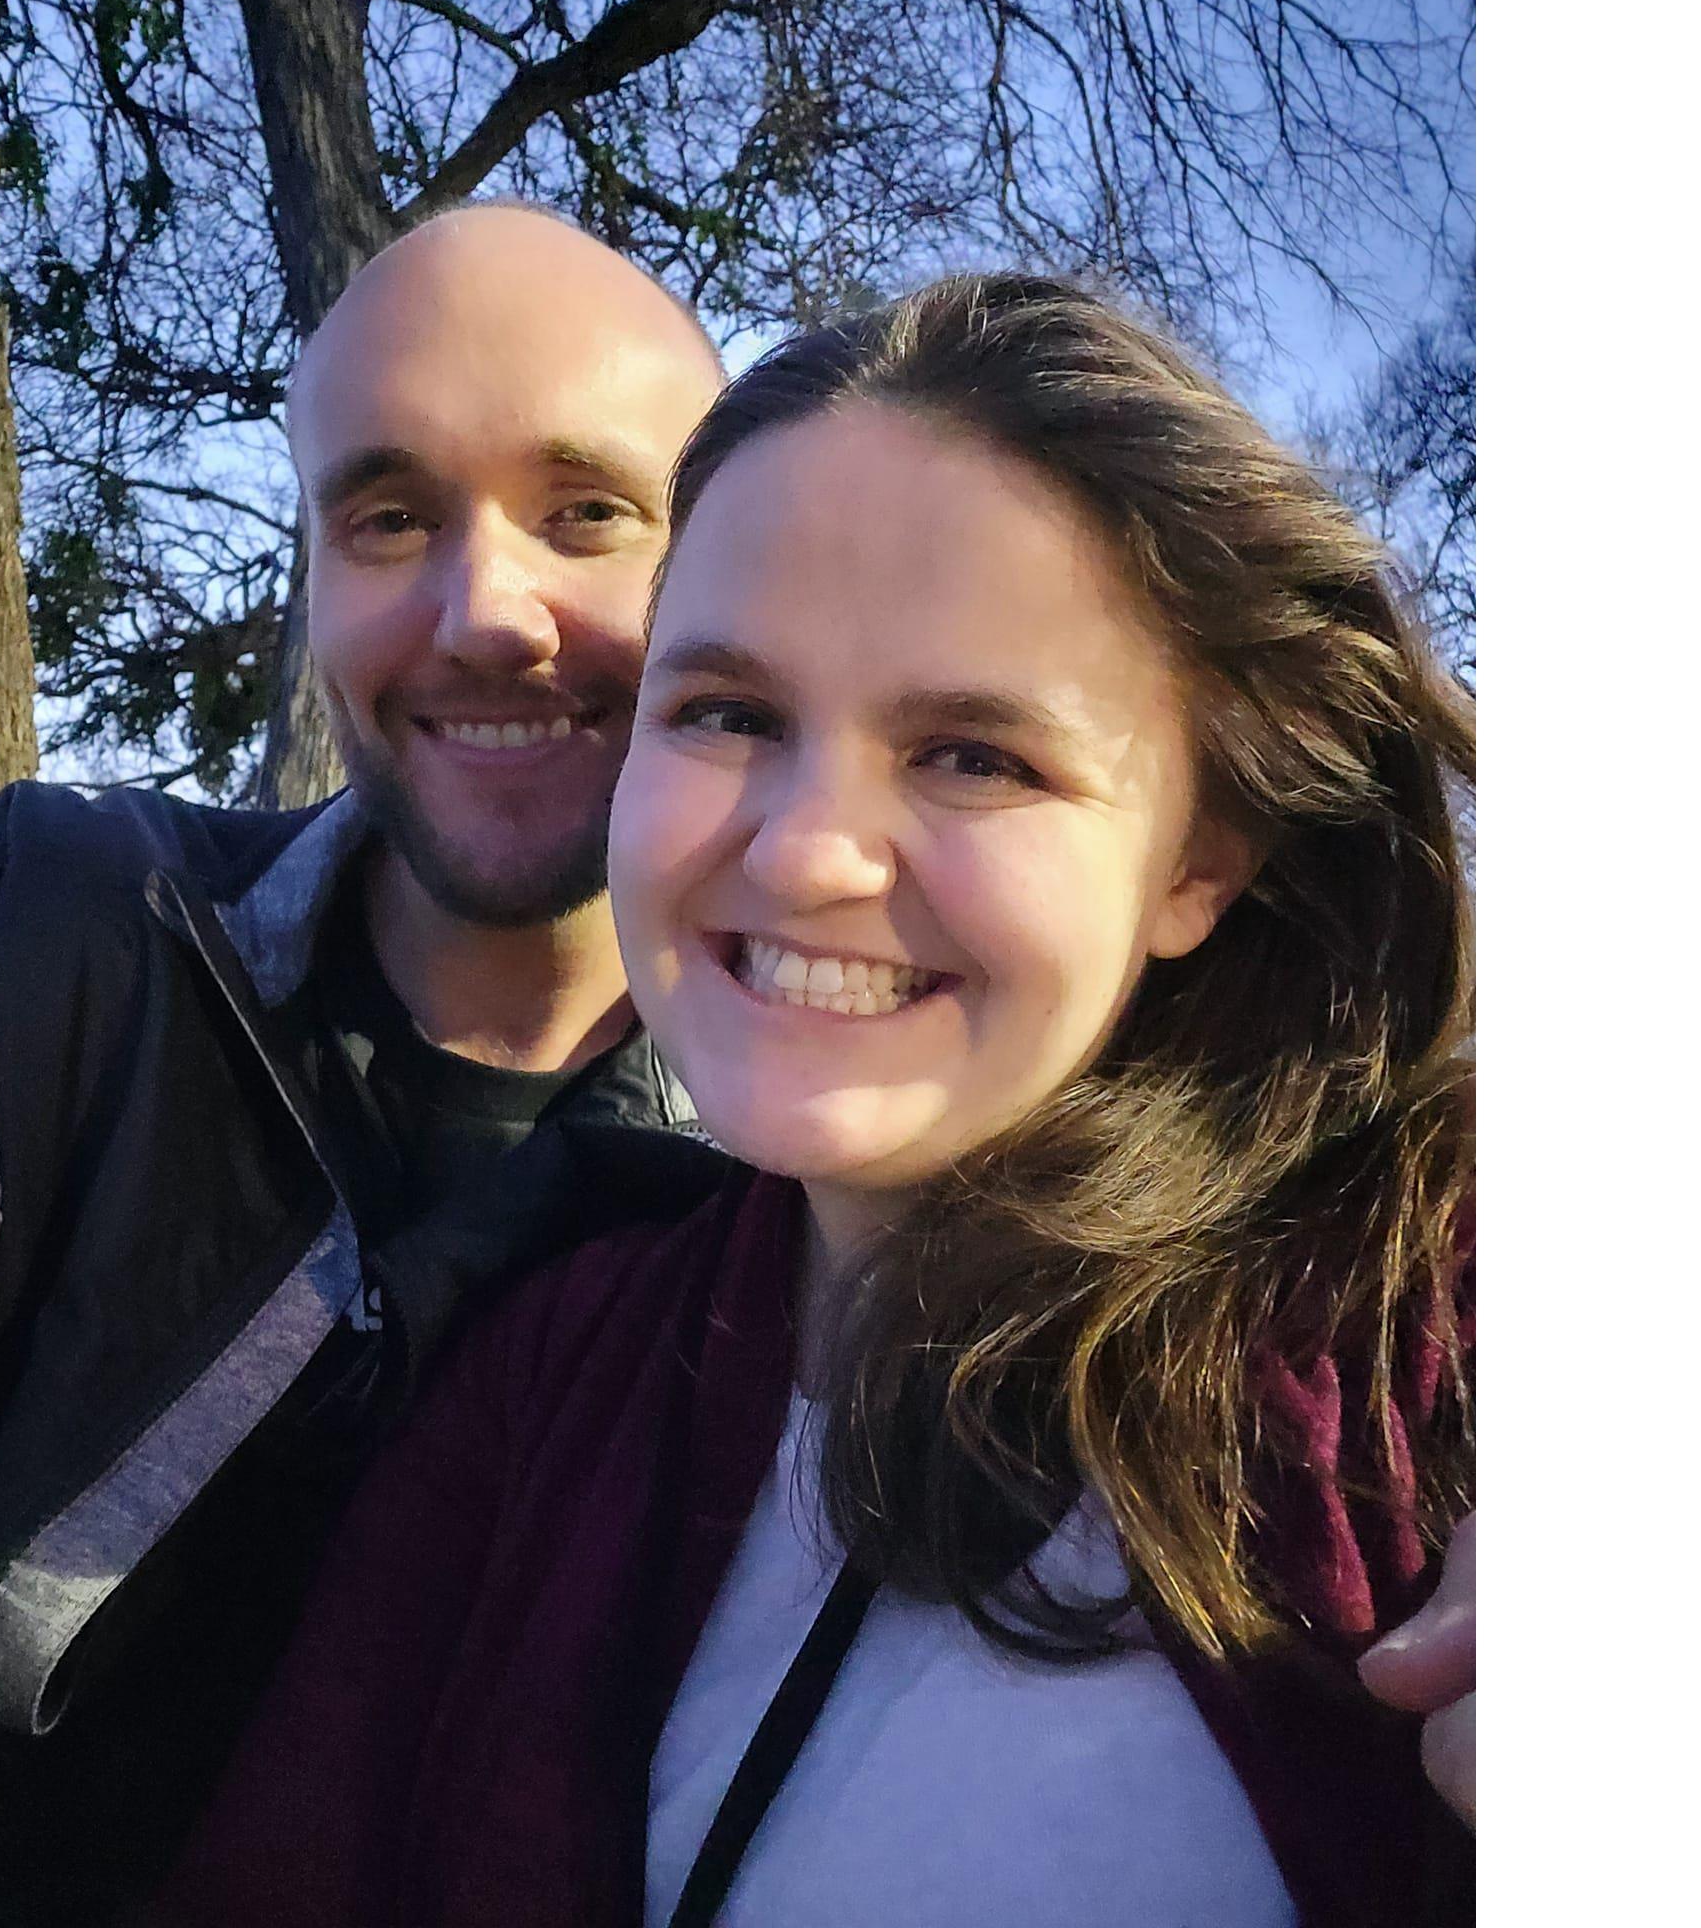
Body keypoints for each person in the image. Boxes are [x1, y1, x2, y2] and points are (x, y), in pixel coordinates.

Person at [152, 272, 1478, 1926]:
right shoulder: (543, 1388)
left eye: (975, 753)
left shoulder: (1423, 1319)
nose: (799, 852)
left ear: (1199, 862)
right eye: (726, 714)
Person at [0, 205, 732, 1925]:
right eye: (389, 518)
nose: (483, 612)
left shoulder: (820, 1193)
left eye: (586, 512)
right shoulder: (41, 926)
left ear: (724, 569)